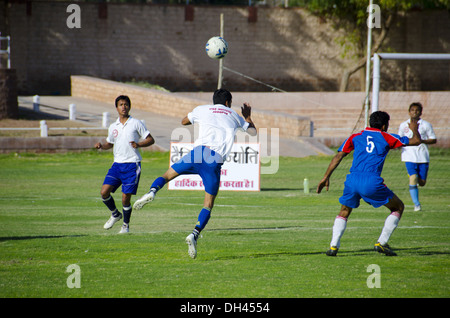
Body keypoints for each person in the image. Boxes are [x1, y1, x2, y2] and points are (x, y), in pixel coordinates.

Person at [133, 88, 257, 259]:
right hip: (214, 159)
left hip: (197, 153)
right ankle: (194, 234)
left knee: (167, 175)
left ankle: (152, 192)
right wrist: (247, 116)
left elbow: (184, 121)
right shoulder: (233, 114)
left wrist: (196, 118)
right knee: (208, 204)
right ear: (228, 102)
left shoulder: (202, 109)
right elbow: (252, 132)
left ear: (213, 101)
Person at [317, 111, 421, 256]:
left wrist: (326, 177)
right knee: (398, 207)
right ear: (384, 125)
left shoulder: (356, 136)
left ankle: (333, 246)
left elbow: (339, 155)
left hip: (352, 180)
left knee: (344, 211)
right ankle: (382, 243)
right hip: (371, 181)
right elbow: (416, 141)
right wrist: (414, 128)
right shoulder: (386, 137)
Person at [95, 95, 155, 234]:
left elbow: (151, 140)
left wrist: (138, 144)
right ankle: (115, 214)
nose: (124, 107)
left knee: (125, 198)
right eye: (121, 104)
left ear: (129, 106)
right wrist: (101, 146)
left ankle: (125, 226)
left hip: (132, 165)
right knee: (104, 192)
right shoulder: (113, 126)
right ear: (116, 108)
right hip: (117, 165)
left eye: (126, 104)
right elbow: (110, 143)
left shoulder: (136, 123)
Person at [398, 102, 437, 211]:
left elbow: (433, 139)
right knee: (413, 177)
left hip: (422, 156)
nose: (415, 112)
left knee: (422, 182)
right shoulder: (403, 125)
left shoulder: (426, 125)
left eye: (417, 110)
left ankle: (417, 181)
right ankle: (417, 204)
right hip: (408, 156)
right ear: (409, 112)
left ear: (421, 112)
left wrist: (420, 141)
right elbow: (400, 139)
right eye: (412, 110)